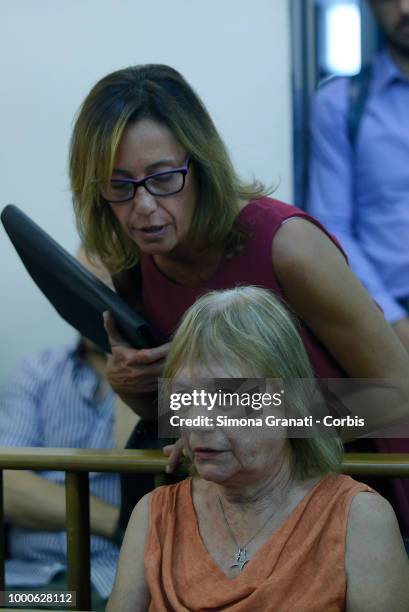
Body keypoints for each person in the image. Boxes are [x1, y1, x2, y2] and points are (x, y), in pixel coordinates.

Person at [68, 63, 409, 531]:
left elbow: (398, 399)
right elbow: (196, 417)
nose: (143, 207)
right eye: (119, 185)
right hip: (247, 516)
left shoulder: (287, 247)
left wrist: (261, 421)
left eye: (164, 178)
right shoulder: (134, 262)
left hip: (361, 502)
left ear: (201, 165)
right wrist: (137, 392)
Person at [107, 287, 409, 612]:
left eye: (226, 398)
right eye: (184, 397)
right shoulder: (153, 515)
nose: (197, 421)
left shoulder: (360, 520)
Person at [307, 0, 409, 546]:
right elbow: (332, 227)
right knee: (384, 489)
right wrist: (392, 321)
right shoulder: (340, 101)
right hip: (378, 318)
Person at [0, 252, 138, 610]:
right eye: (77, 288)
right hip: (27, 578)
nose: (93, 306)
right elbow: (9, 486)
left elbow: (135, 471)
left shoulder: (163, 380)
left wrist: (127, 366)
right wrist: (116, 523)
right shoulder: (38, 370)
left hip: (114, 580)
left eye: (108, 292)